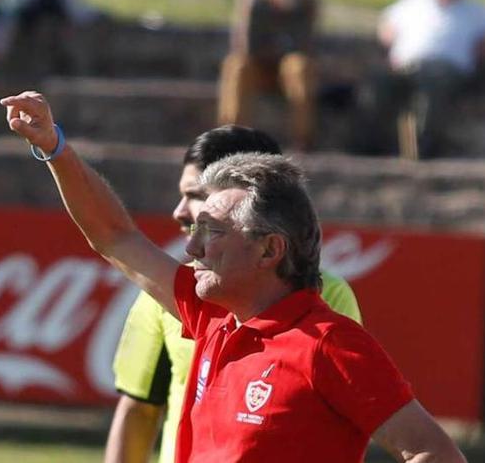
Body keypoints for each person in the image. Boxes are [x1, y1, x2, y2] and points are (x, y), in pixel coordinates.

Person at [0, 91, 466, 462]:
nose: (191, 246)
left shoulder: (329, 344)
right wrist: (54, 148)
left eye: (212, 231)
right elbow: (114, 236)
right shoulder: (212, 319)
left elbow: (433, 453)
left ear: (269, 249)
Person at [104, 126, 363, 463]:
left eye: (196, 195)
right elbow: (138, 409)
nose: (179, 211)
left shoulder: (329, 297)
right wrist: (55, 149)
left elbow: (354, 420)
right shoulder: (172, 290)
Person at [368, 0, 485, 158]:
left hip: (445, 70)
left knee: (432, 87)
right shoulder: (416, 0)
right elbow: (387, 22)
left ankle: (417, 153)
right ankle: (369, 148)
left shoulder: (475, 10)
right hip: (404, 66)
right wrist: (388, 37)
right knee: (376, 84)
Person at [217, 0, 318, 151]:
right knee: (237, 65)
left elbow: (305, 45)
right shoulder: (255, 1)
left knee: (299, 66)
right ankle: (232, 136)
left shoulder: (307, 4)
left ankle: (301, 139)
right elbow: (246, 45)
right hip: (258, 68)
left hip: (286, 73)